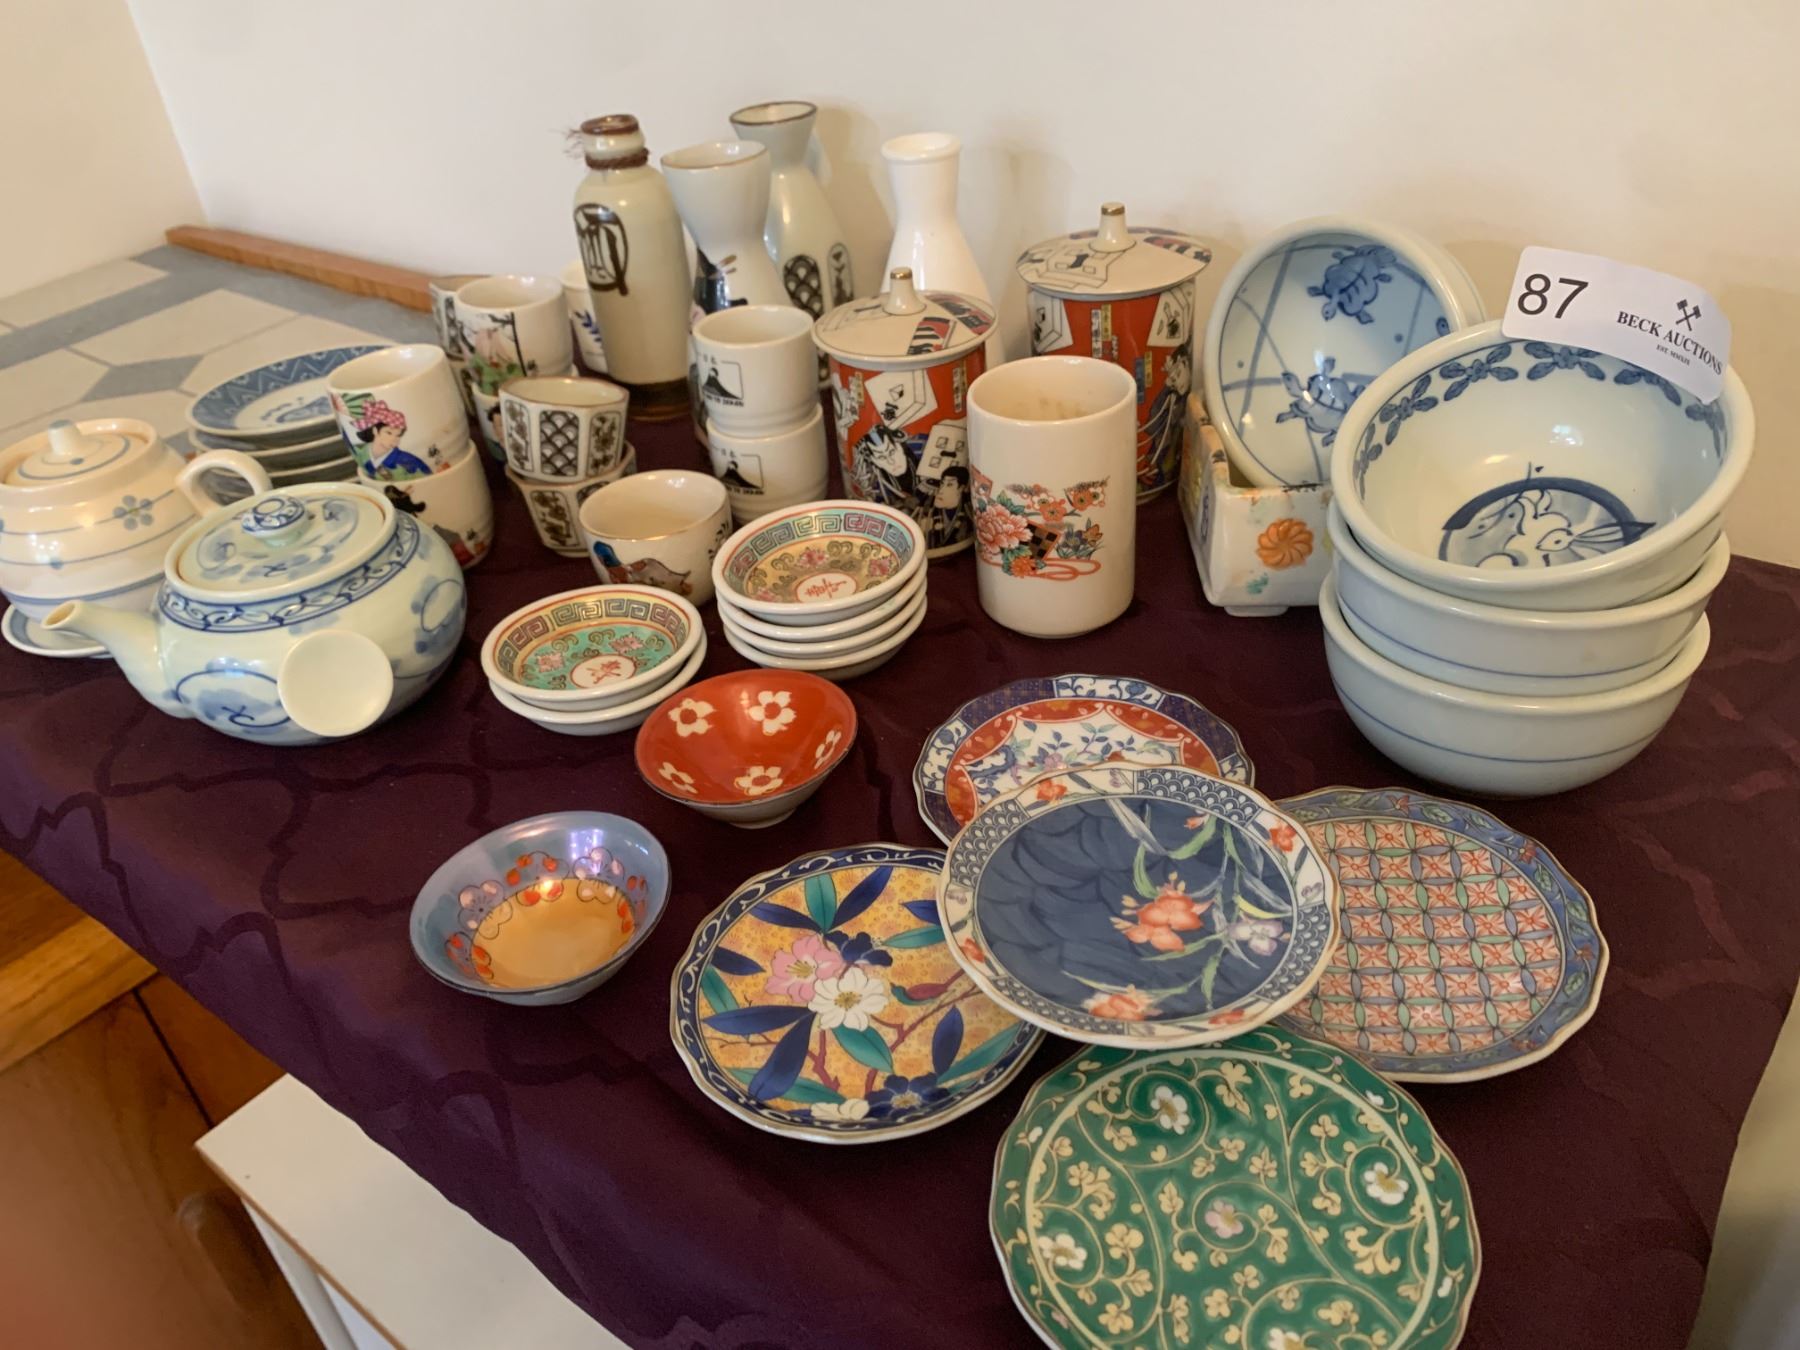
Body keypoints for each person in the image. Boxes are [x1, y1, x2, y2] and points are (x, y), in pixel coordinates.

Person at [355, 401, 433, 480]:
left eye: (398, 435)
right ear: (375, 431)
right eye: (389, 433)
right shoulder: (362, 453)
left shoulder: (407, 461)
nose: (394, 439)